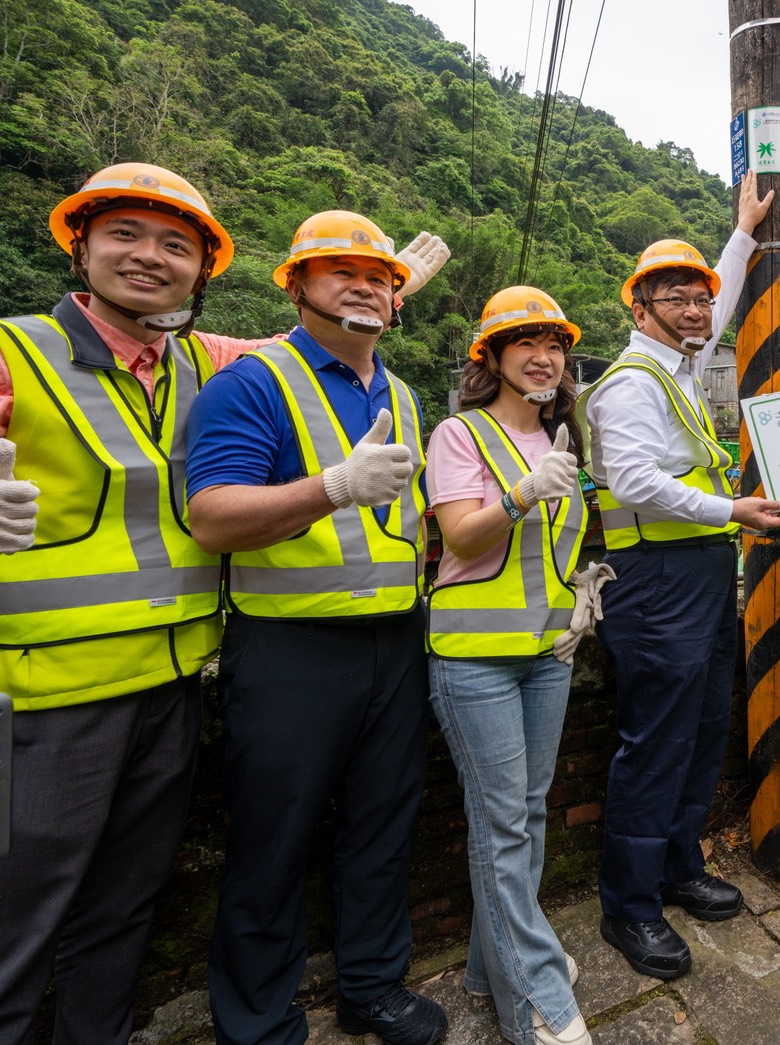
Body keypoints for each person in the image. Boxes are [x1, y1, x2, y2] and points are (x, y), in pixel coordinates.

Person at [0, 163, 441, 1045]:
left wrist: (385, 283)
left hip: (180, 672)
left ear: (204, 269)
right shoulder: (5, 350)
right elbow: (232, 485)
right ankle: (256, 1022)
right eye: (124, 235)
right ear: (80, 245)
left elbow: (323, 334)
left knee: (123, 909)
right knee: (20, 916)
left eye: (175, 245)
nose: (149, 258)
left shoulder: (205, 358)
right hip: (53, 687)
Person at [186, 210, 447, 1045]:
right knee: (273, 839)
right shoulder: (254, 381)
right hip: (290, 649)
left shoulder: (401, 394)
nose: (364, 283)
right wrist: (332, 487)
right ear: (296, 285)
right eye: (339, 270)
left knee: (383, 823)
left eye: (379, 275)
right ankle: (258, 1021)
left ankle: (373, 986)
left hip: (394, 641)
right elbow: (214, 518)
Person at [583, 171, 780, 981]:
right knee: (655, 741)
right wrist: (732, 512)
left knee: (703, 728)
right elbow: (632, 482)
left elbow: (722, 301)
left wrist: (739, 235)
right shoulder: (631, 385)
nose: (697, 310)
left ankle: (675, 866)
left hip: (700, 570)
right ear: (639, 310)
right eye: (675, 299)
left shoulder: (678, 365)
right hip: (657, 577)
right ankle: (628, 905)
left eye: (700, 299)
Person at [425, 286, 610, 1045]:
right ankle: (531, 999)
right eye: (525, 343)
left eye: (554, 344)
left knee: (528, 813)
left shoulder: (565, 438)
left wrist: (582, 594)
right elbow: (463, 541)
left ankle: (489, 966)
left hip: (547, 652)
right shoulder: (459, 434)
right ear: (492, 358)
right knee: (500, 823)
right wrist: (523, 494)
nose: (544, 356)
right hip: (474, 658)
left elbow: (562, 550)